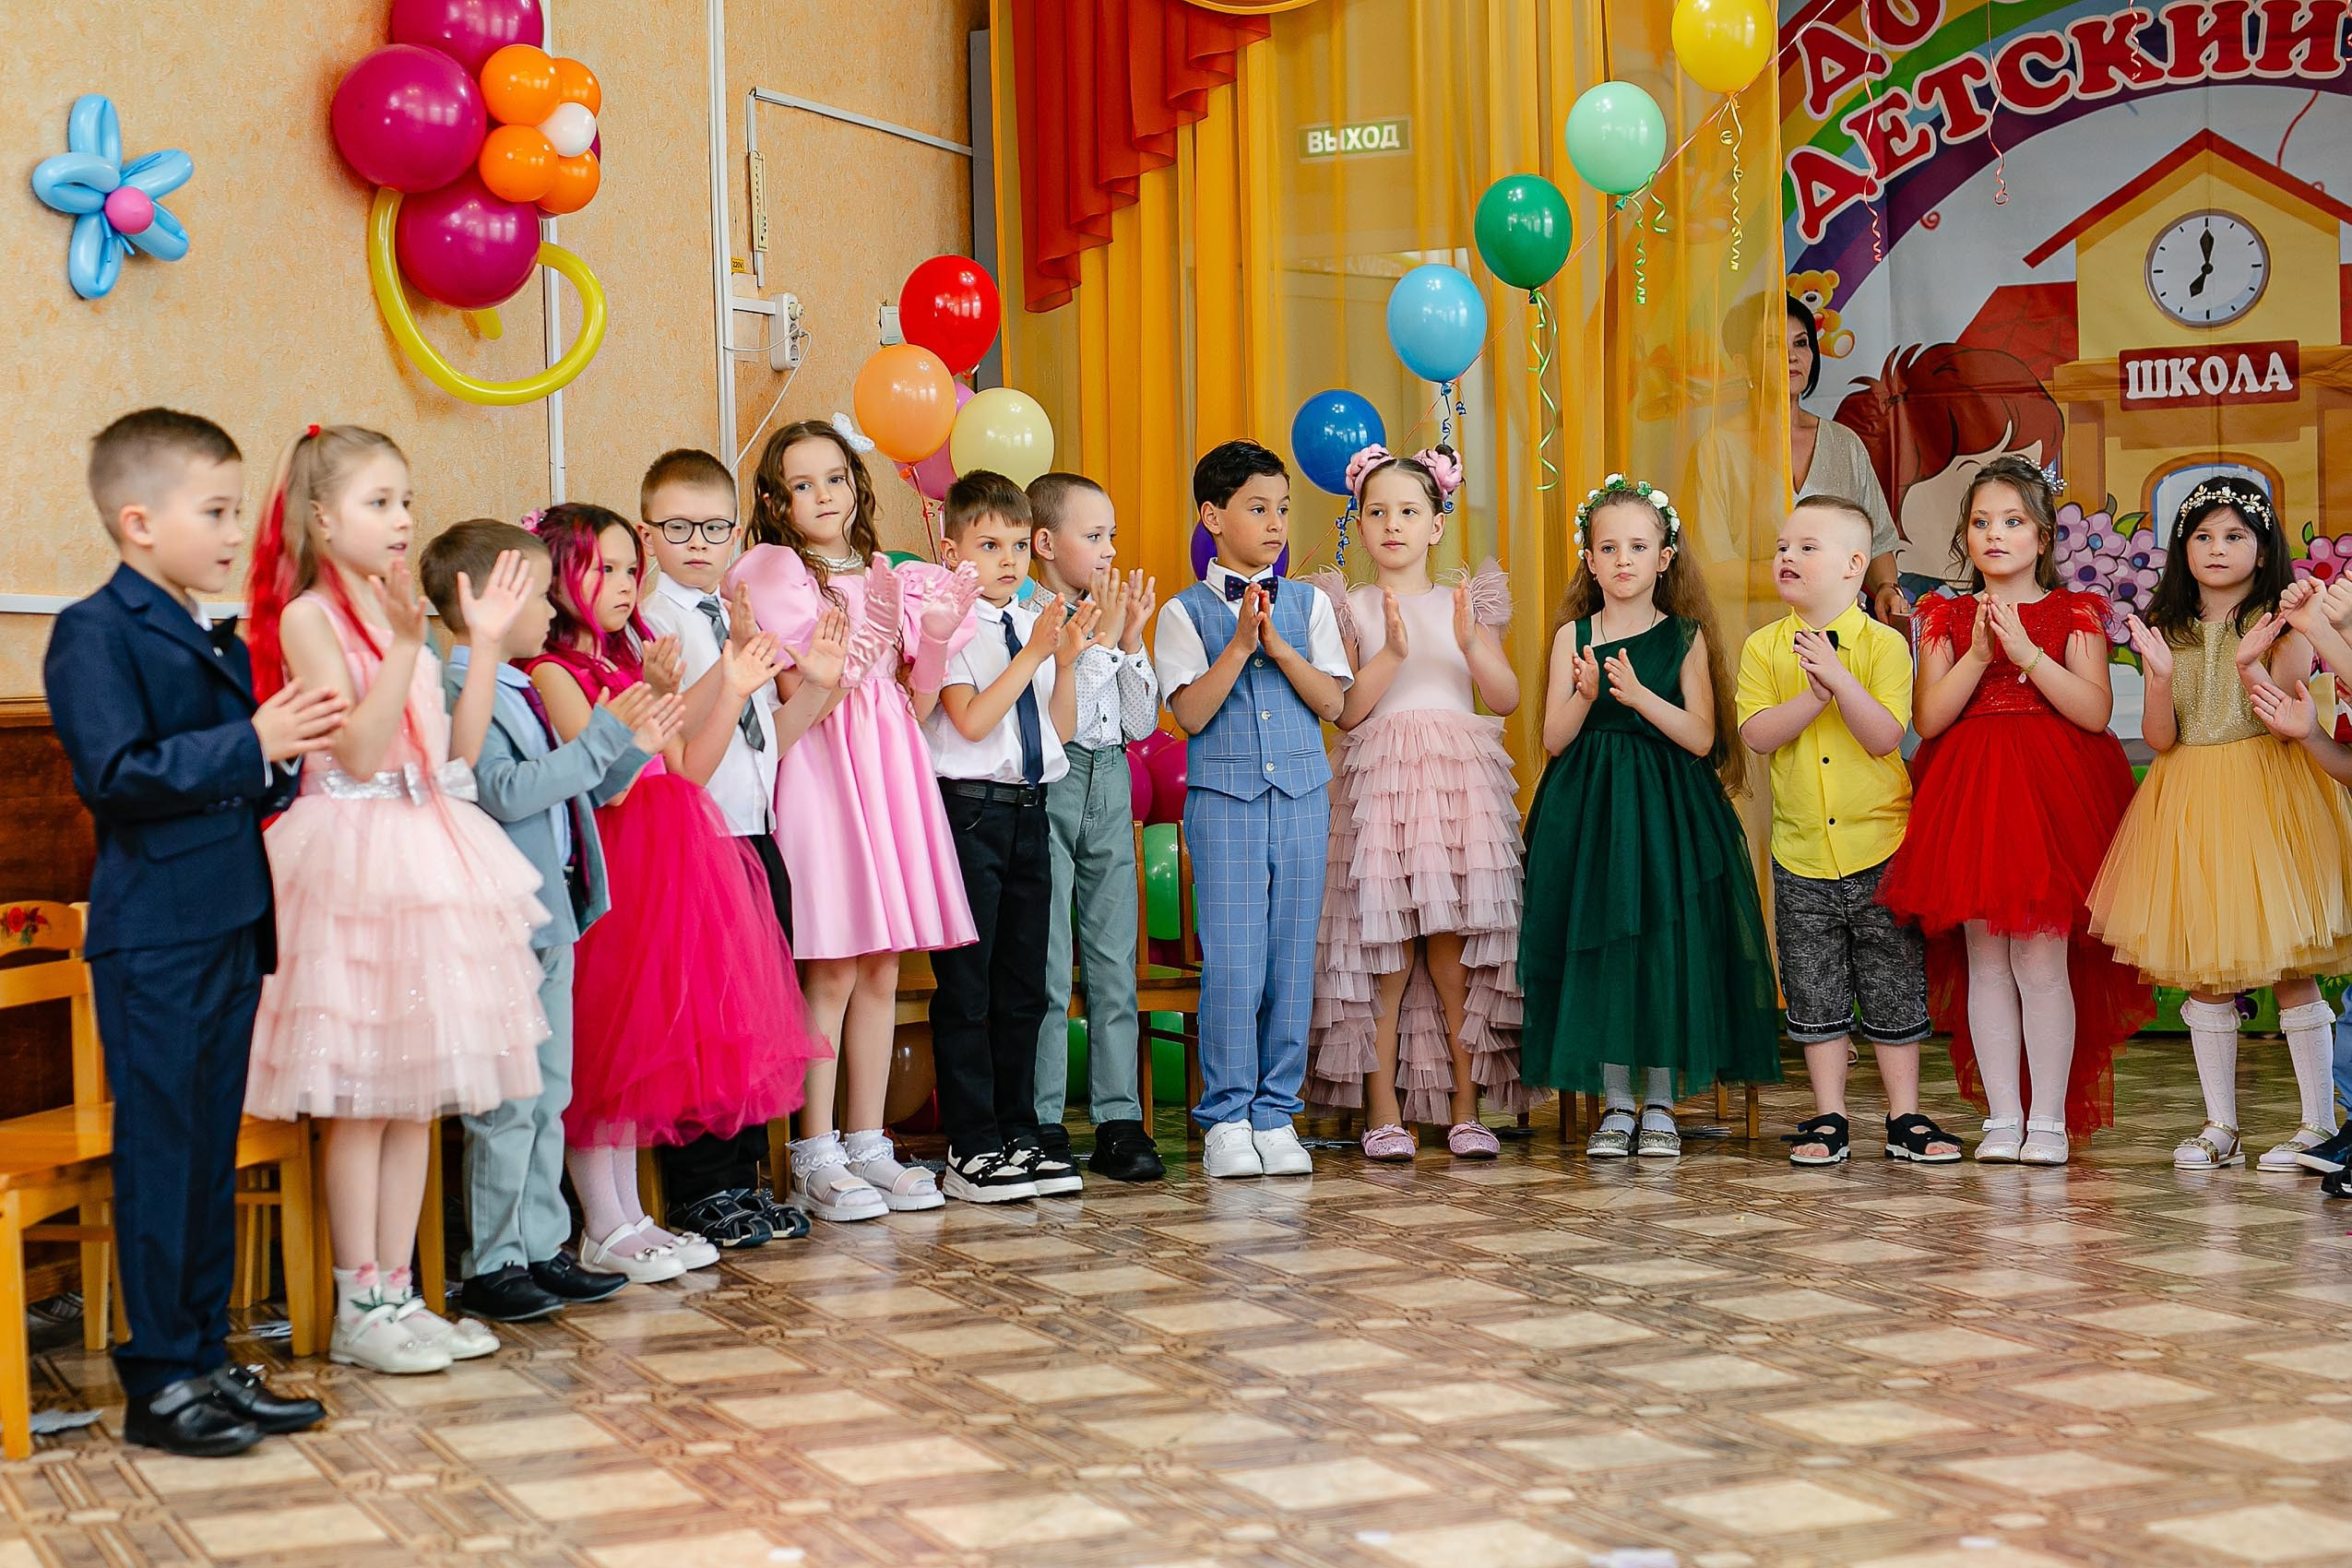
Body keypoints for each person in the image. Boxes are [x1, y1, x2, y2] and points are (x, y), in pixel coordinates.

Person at [45, 410, 337, 1455]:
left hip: (224, 917)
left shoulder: (199, 626)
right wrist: (248, 738)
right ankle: (159, 1381)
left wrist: (281, 755)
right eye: (212, 510)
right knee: (164, 1156)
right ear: (137, 520)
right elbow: (117, 781)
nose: (231, 531)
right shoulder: (95, 629)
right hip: (157, 935)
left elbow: (230, 777)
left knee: (209, 1153)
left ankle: (205, 1357)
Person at [242, 425, 548, 1374]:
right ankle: (358, 1299)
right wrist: (405, 644)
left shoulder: (404, 612)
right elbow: (362, 752)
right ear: (324, 516)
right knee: (363, 1102)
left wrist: (479, 647)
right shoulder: (309, 618)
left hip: (426, 846)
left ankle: (404, 1291)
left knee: (416, 1099)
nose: (402, 517)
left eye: (405, 499)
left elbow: (452, 752)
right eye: (379, 501)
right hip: (349, 852)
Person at [524, 505, 826, 1278]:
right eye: (603, 569)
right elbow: (604, 783)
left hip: (670, 858)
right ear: (556, 575)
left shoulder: (629, 658)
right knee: (607, 1048)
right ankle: (602, 1221)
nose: (624, 585)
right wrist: (652, 713)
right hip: (615, 865)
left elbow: (686, 766)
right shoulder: (554, 671)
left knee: (639, 1047)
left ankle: (627, 1213)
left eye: (630, 569)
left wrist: (720, 684)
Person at [418, 521, 673, 1324]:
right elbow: (503, 791)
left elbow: (581, 791)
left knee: (550, 1089)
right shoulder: (465, 691)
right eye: (535, 591)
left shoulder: (520, 688)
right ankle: (494, 1262)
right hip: (502, 922)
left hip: (554, 911)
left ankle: (540, 1246)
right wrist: (602, 737)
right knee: (509, 1099)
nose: (551, 605)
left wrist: (629, 748)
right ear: (484, 601)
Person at [727, 419, 981, 1220]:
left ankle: (868, 1141)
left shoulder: (885, 571)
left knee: (882, 963)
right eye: (802, 485)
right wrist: (875, 623)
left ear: (856, 485)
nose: (823, 495)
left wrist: (933, 636)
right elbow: (823, 674)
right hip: (821, 762)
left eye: (834, 478)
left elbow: (917, 692)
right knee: (832, 963)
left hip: (887, 755)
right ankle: (813, 1151)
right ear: (775, 500)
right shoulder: (770, 570)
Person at [1876, 456, 2149, 1164]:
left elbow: (2092, 712)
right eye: (1980, 522)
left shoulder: (2077, 611)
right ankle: (2003, 1116)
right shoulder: (1943, 613)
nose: (1994, 534)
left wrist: (2027, 652)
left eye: (2012, 521)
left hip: (2052, 797)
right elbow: (1930, 721)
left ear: (2041, 536)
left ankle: (2048, 1120)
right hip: (1971, 795)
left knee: (2040, 958)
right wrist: (1975, 655)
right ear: (1965, 535)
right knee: (1986, 958)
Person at [2087, 480, 2352, 1172]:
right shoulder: (2168, 624)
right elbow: (2162, 739)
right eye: (2202, 535)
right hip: (2191, 799)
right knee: (2207, 970)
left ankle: (2317, 1124)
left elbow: (2287, 715)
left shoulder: (2285, 618)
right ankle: (2220, 1125)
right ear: (2182, 547)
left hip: (2269, 795)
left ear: (2265, 550)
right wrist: (2156, 676)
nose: (2216, 547)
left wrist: (2246, 659)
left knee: (2292, 968)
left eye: (2235, 535)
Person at [1518, 475, 1781, 1158]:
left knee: (1666, 946)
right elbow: (1553, 737)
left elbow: (1701, 736)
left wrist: (1636, 696)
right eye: (1610, 547)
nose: (1625, 559)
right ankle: (1616, 1103)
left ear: (1665, 556)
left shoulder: (1685, 636)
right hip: (1589, 817)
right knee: (1604, 949)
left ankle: (1661, 1101)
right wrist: (1583, 694)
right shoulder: (1572, 635)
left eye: (1640, 545)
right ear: (1591, 559)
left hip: (1668, 816)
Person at [1302, 444, 1536, 1160]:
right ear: (1361, 524)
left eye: (1409, 511)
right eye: (1377, 512)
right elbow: (1345, 713)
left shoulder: (1465, 601)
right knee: (1384, 957)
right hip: (1380, 789)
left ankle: (1466, 1110)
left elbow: (1504, 697)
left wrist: (1470, 644)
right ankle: (1382, 1112)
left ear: (1437, 524)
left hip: (1458, 789)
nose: (1392, 524)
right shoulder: (1352, 606)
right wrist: (1393, 655)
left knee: (1454, 957)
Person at [1736, 496, 1958, 1167]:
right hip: (1800, 851)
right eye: (1783, 546)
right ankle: (1829, 1117)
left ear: (1855, 566)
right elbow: (1755, 735)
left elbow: (1885, 735)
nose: (1788, 557)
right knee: (1814, 986)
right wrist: (1810, 698)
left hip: (1879, 847)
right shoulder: (1763, 647)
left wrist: (1838, 679)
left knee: (1891, 982)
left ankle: (1905, 1116)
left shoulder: (1886, 645)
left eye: (1808, 547)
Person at [1154, 440, 1350, 1178]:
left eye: (1283, 509)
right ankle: (1227, 1117)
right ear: (1214, 515)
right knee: (1234, 964)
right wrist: (1238, 646)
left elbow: (1335, 702)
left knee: (1293, 962)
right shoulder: (1183, 612)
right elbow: (1190, 718)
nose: (1275, 523)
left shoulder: (1310, 605)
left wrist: (1283, 648)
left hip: (1302, 799)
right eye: (1257, 508)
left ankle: (1276, 1113)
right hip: (1226, 805)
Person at [635, 447, 814, 1246]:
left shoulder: (735, 614)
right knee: (700, 1020)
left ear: (736, 529)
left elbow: (764, 738)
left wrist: (823, 683)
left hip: (756, 830)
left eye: (714, 527)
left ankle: (742, 1179)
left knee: (753, 1016)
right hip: (695, 842)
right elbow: (683, 743)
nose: (699, 542)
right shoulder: (654, 625)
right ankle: (701, 1186)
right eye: (679, 528)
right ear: (649, 534)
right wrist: (730, 677)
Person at [919, 472, 1096, 1201]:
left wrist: (1064, 663)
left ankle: (1020, 1134)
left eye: (1019, 546)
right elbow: (969, 720)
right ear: (950, 543)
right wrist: (1032, 656)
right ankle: (972, 1146)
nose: (1008, 561)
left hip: (1029, 806)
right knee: (970, 987)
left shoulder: (1028, 624)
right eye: (989, 545)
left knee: (1025, 983)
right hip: (970, 813)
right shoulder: (949, 623)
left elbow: (1055, 731)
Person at [1026, 472, 1166, 1182]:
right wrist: (1104, 642)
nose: (1110, 549)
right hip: (1053, 777)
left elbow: (1141, 724)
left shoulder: (1106, 613)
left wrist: (1131, 640)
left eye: (1112, 534)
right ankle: (1044, 1120)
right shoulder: (1029, 617)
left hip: (1111, 779)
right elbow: (1062, 720)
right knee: (1049, 964)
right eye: (1094, 535)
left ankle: (1118, 1120)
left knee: (1114, 960)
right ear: (1045, 543)